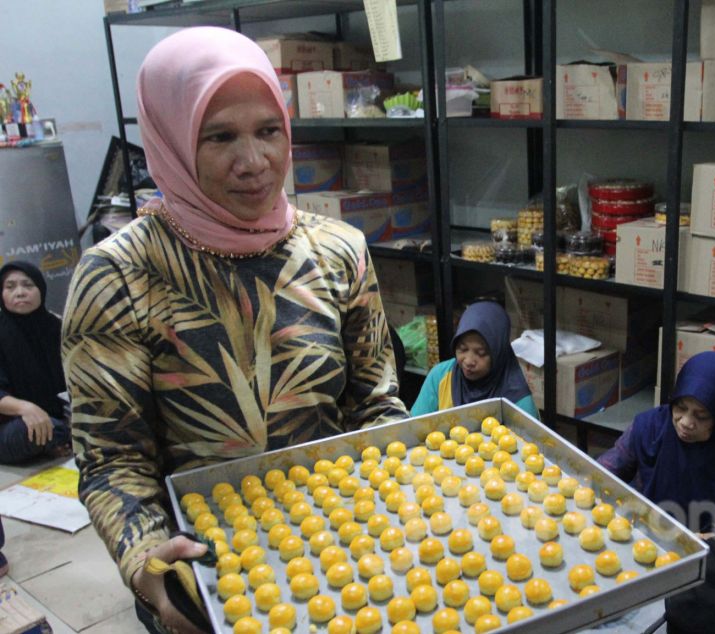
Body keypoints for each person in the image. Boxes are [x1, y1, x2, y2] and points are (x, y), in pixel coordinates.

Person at [61, 27, 407, 634]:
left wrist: (405, 501)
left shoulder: (337, 251)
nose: (254, 163)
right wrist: (150, 568)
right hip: (211, 573)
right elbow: (112, 458)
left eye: (268, 130)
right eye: (219, 136)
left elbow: (375, 403)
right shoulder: (119, 275)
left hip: (345, 545)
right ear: (169, 140)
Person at [597, 350, 715, 533]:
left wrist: (711, 541)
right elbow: (607, 469)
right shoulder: (650, 427)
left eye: (701, 417)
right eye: (680, 407)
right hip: (641, 532)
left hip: (706, 555)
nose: (685, 422)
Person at [409, 300, 538, 419]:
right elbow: (413, 427)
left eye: (481, 353)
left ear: (498, 353)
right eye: (463, 349)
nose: (469, 361)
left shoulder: (518, 401)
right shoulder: (440, 377)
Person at [0, 261, 71, 464]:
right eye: (10, 287)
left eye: (28, 285)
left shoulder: (57, 327)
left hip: (58, 416)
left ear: (41, 289)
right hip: (11, 423)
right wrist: (26, 408)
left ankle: (54, 439)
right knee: (45, 430)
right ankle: (56, 439)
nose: (20, 293)